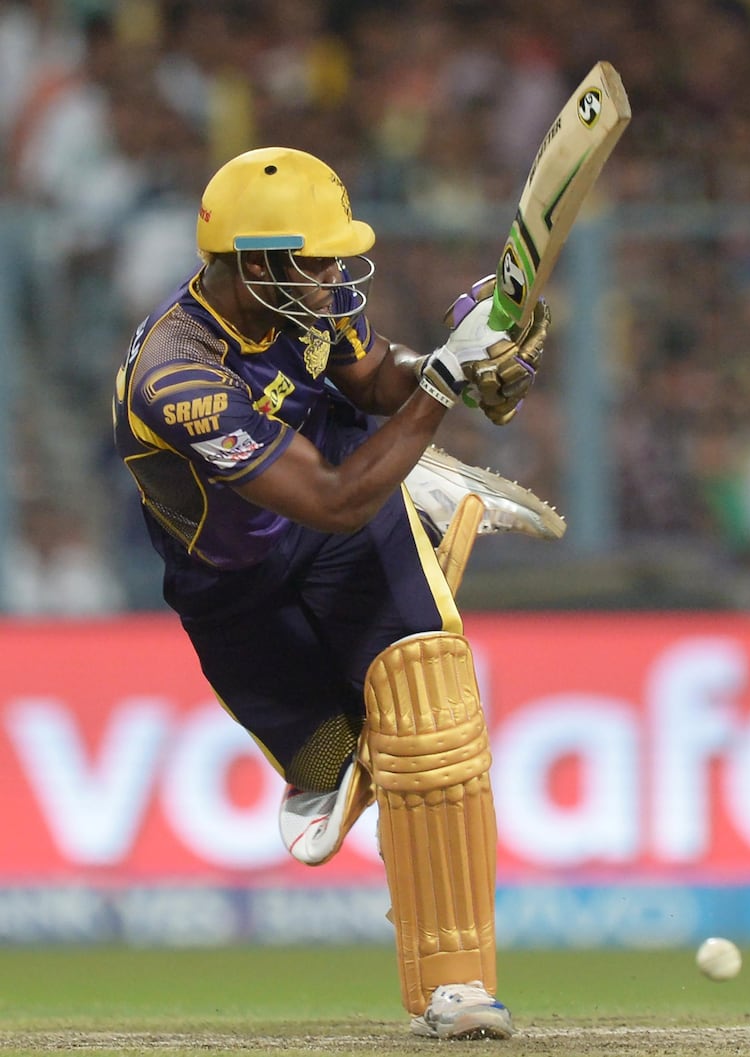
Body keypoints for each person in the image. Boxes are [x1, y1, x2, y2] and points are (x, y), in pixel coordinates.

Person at [113, 146, 552, 1039]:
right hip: (239, 584)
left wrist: (453, 362)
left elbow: (376, 382)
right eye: (314, 260)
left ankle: (455, 984)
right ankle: (416, 477)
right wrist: (439, 394)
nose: (334, 275)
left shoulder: (307, 298)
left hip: (347, 529)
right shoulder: (178, 374)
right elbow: (331, 500)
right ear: (254, 261)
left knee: (431, 721)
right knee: (332, 767)